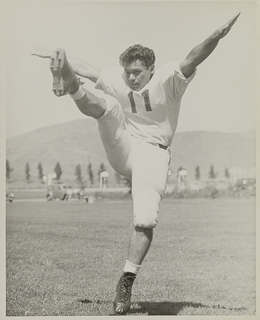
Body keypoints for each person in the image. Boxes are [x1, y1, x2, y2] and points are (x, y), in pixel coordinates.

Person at [32, 13, 240, 315]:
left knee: (145, 221)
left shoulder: (169, 79)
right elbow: (89, 68)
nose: (131, 77)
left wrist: (217, 35)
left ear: (151, 69)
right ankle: (72, 86)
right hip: (126, 148)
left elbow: (195, 57)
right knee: (109, 107)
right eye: (128, 72)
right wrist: (56, 56)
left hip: (154, 154)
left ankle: (126, 279)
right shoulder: (119, 78)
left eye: (138, 72)